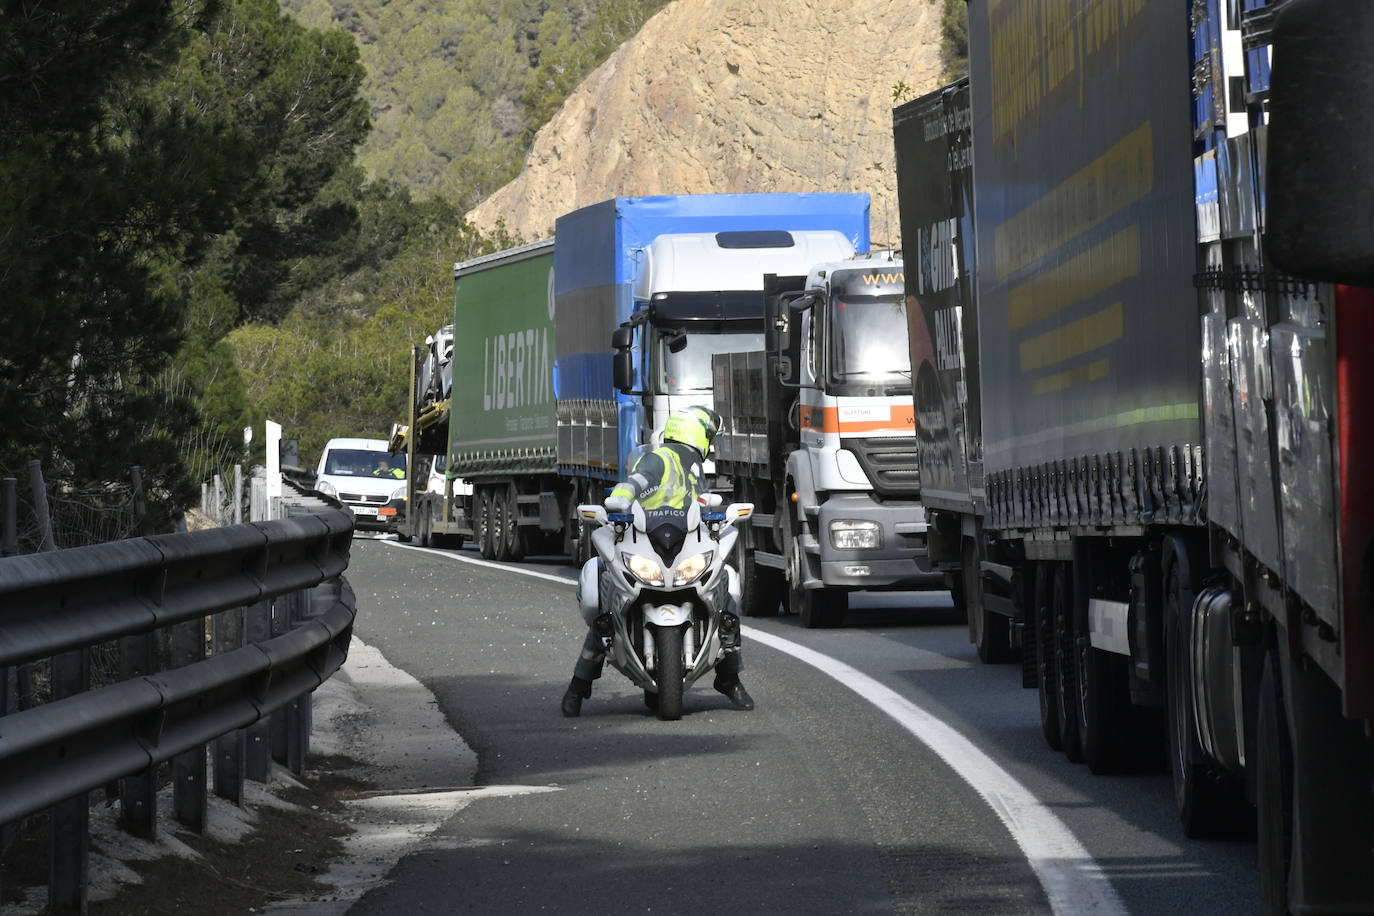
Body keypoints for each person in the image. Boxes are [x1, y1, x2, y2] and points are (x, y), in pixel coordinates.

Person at [560, 405, 755, 716]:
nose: (709, 443)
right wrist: (619, 500)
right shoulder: (663, 456)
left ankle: (729, 677)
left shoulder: (691, 466)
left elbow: (695, 502)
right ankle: (579, 684)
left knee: (727, 590)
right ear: (694, 432)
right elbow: (637, 481)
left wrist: (716, 514)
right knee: (607, 606)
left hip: (680, 541)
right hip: (644, 540)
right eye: (707, 435)